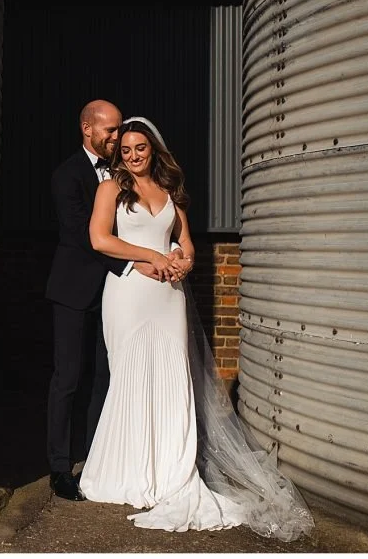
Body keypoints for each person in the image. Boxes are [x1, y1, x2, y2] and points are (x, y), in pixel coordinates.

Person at [79, 117, 313, 541]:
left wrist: (182, 261)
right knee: (132, 377)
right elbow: (99, 239)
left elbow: (185, 243)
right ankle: (127, 470)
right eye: (126, 149)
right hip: (130, 294)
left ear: (154, 150)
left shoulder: (170, 191)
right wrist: (150, 256)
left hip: (169, 296)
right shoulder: (110, 188)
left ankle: (172, 467)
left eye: (140, 148)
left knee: (172, 378)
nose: (132, 155)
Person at [44, 101, 187, 501]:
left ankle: (98, 457)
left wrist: (168, 253)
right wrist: (136, 263)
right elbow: (82, 237)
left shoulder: (126, 174)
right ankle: (59, 467)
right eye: (109, 131)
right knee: (68, 379)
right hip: (77, 290)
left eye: (118, 131)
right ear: (87, 128)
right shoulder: (67, 176)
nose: (115, 137)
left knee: (107, 379)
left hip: (119, 296)